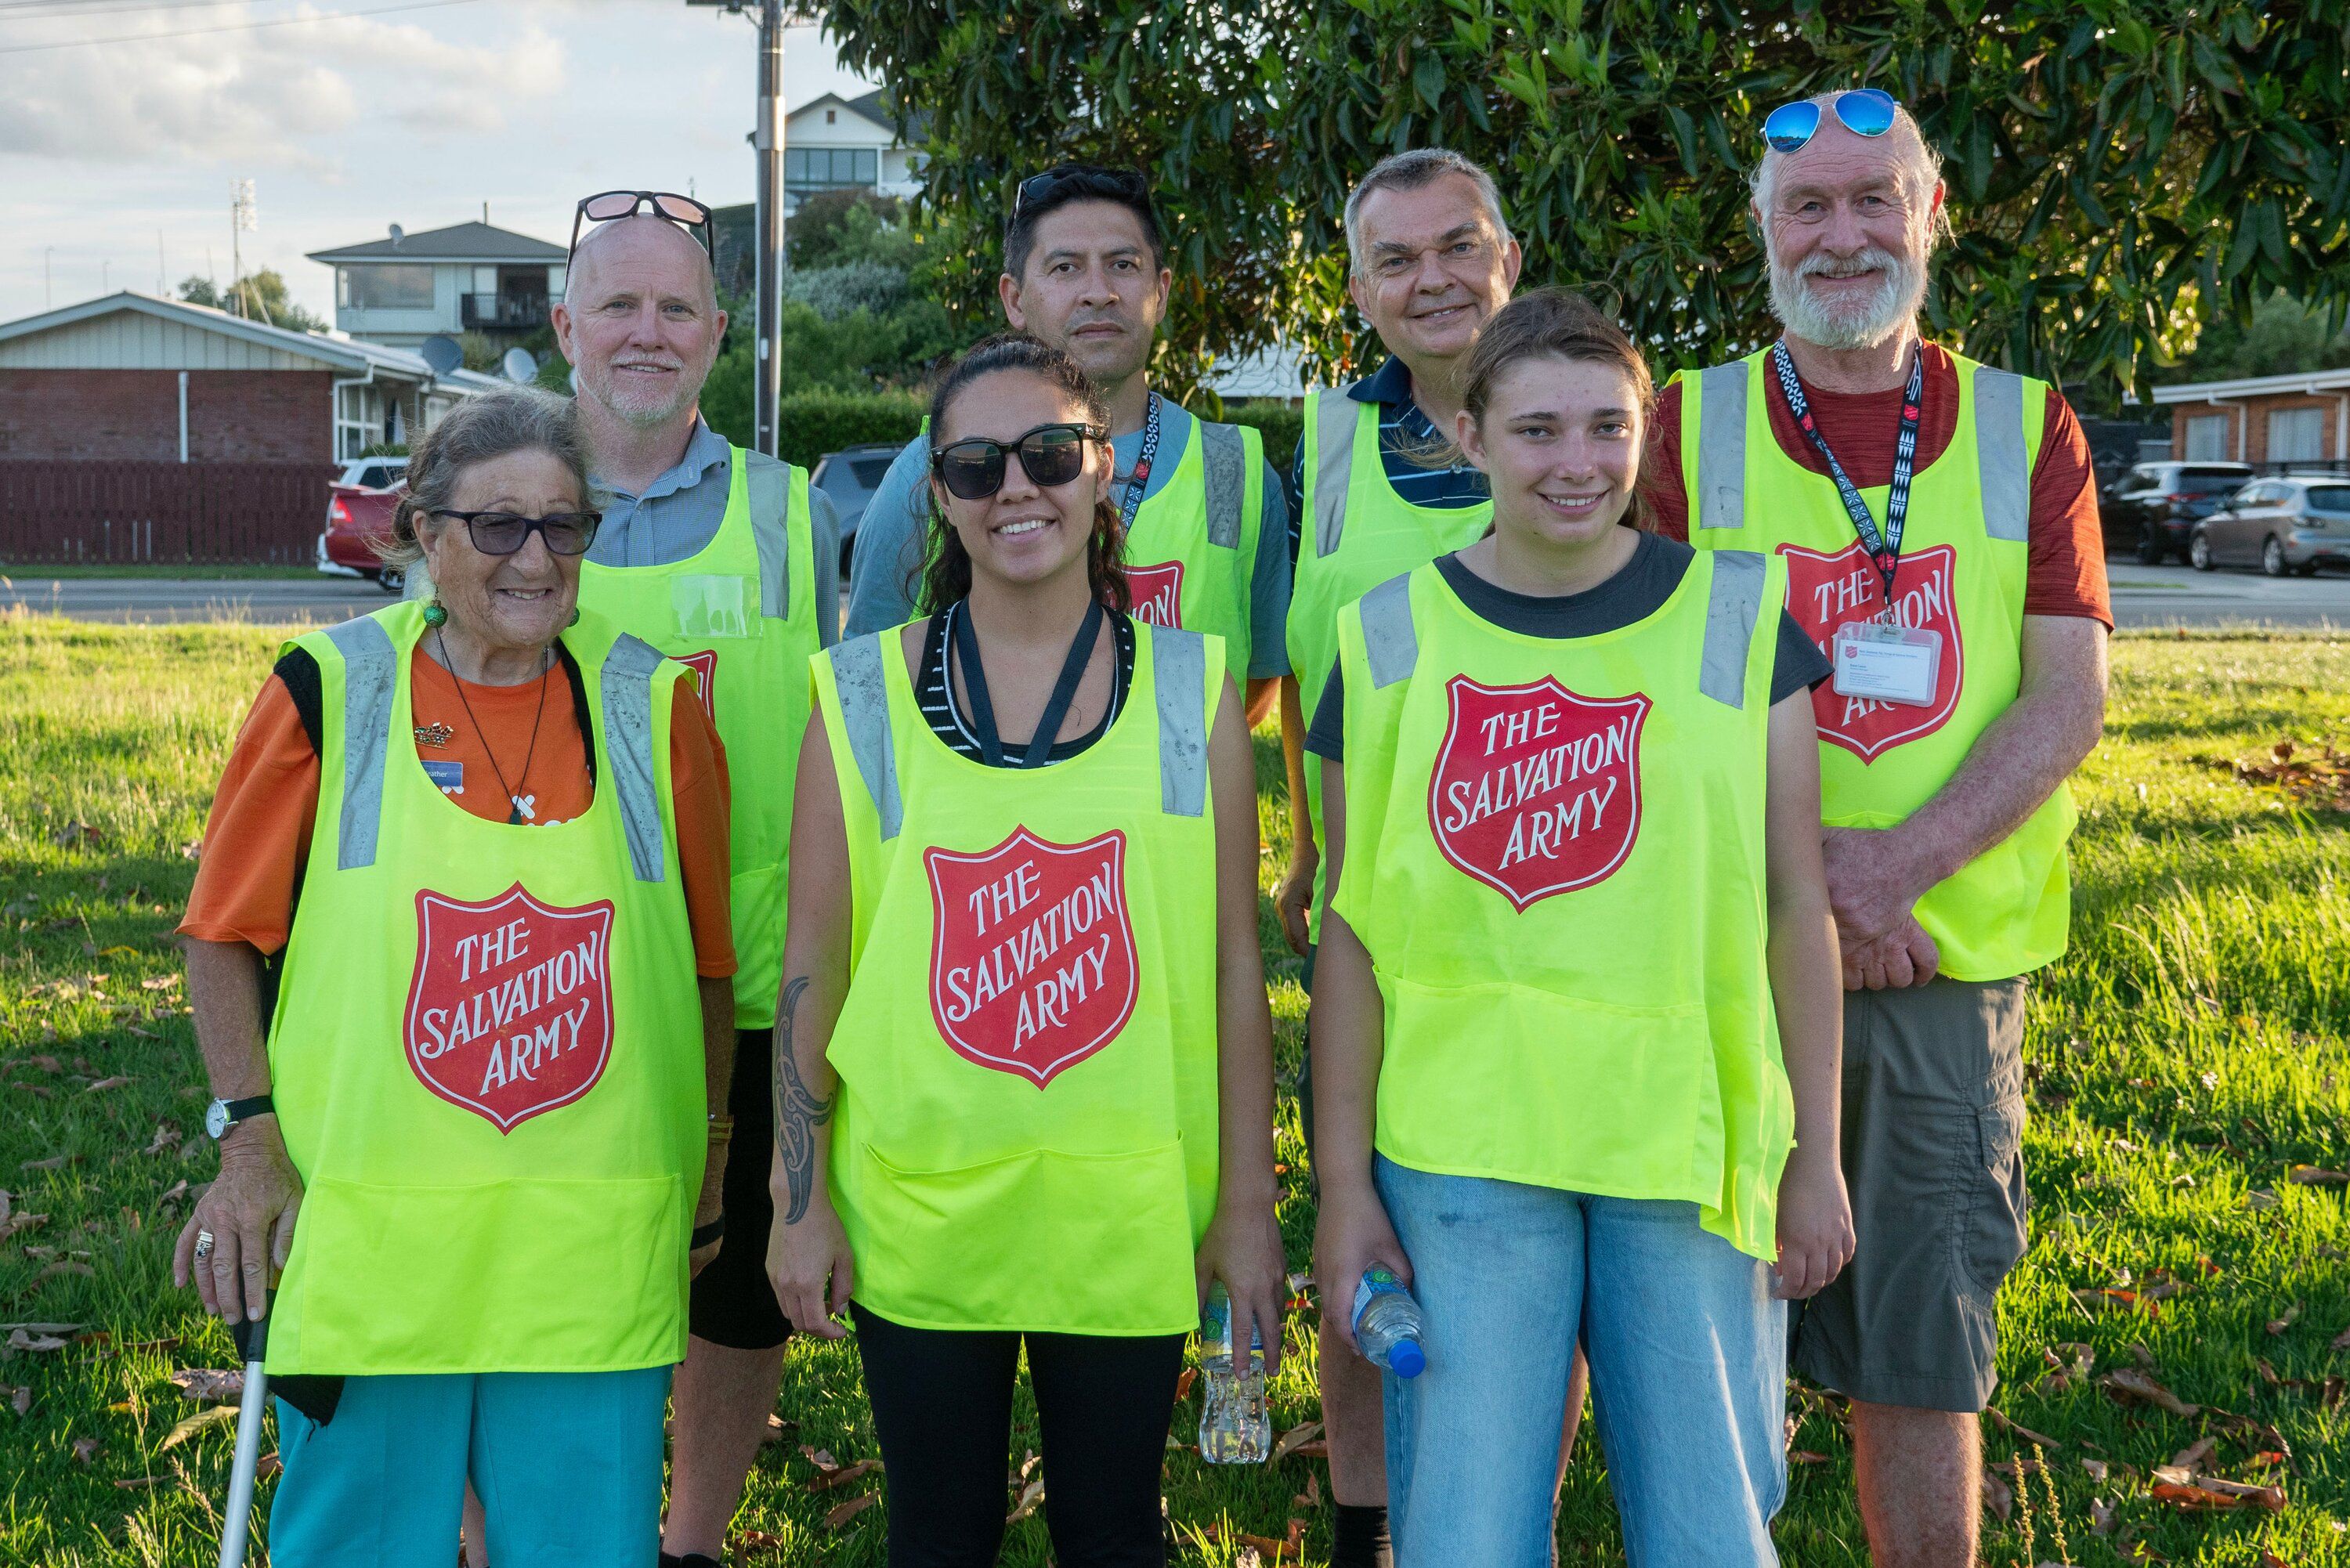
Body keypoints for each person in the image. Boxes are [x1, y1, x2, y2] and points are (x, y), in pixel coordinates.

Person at [1309, 289, 1854, 1566]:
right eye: (1539, 428)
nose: (1577, 462)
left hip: (1687, 1139)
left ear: (1643, 434)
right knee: (1463, 1537)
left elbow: (1794, 903)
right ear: (1468, 434)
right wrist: (1343, 1187)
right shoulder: (1386, 638)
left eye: (1607, 427)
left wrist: (1815, 1152)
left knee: (1709, 1534)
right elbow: (1351, 936)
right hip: (1461, 1143)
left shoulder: (1736, 615)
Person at [1648, 91, 2110, 1566]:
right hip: (1722, 950)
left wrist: (1886, 873)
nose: (1841, 232)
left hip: (1941, 956)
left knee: (1919, 1349)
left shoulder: (2030, 426)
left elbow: (2067, 697)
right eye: (1807, 205)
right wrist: (1807, 897)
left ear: (1931, 212)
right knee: (1701, 1327)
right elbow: (1638, 692)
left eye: (1872, 198)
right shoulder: (1680, 422)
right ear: (1763, 233)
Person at [172, 387, 736, 1567]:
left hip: (589, 1247)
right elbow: (219, 934)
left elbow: (705, 971)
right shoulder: (328, 692)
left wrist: (717, 1158)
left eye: (563, 526)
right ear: (425, 535)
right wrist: (249, 1140)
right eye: (496, 527)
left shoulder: (657, 703)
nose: (534, 558)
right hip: (377, 1249)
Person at [769, 334, 1287, 1566]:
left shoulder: (1190, 689)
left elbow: (1232, 968)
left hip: (1126, 1203)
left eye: (1052, 452)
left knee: (1114, 1532)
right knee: (936, 1537)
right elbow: (813, 967)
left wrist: (1252, 1211)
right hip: (919, 1204)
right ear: (936, 494)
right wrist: (798, 1205)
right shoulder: (857, 693)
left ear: (1104, 467)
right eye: (976, 464)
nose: (1018, 487)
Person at [1278, 147, 1581, 1568]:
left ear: (1507, 256)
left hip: (1559, 914)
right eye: (1396, 260)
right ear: (1357, 292)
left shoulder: (1587, 420)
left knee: (1544, 1237)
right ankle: (1364, 1521)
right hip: (1377, 922)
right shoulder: (1329, 444)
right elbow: (1306, 666)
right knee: (1362, 1224)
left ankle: (1521, 1505)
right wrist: (1302, 845)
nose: (1433, 280)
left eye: (1457, 247)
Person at [551, 192, 841, 1568]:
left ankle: (689, 1537)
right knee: (562, 1265)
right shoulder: (508, 506)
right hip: (561, 974)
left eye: (677, 308)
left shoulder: (797, 515)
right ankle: (546, 1524)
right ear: (565, 326)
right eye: (618, 304)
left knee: (739, 1289)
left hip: (756, 977)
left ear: (720, 336)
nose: (647, 333)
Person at [844, 164, 1291, 725]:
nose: (1098, 292)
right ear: (1015, 299)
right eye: (1065, 267)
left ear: (1162, 290)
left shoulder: (1237, 473)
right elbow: (865, 684)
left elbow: (1256, 685)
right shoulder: (938, 470)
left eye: (1123, 265)